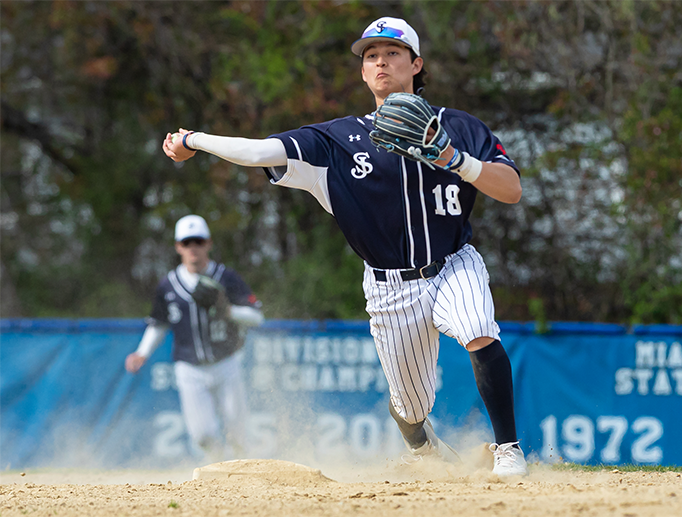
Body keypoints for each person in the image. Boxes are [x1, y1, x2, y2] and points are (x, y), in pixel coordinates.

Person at [162, 17, 528, 477]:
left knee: (478, 329)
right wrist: (193, 140)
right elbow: (258, 153)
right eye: (371, 56)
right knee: (410, 405)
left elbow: (511, 189)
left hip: (454, 262)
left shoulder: (457, 126)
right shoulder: (337, 140)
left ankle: (509, 449)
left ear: (416, 64)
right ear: (362, 71)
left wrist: (456, 160)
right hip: (390, 287)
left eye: (392, 53)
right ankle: (421, 444)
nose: (380, 62)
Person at [125, 214, 265, 462]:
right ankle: (219, 465)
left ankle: (244, 474)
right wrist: (142, 352)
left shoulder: (226, 278)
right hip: (189, 368)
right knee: (202, 434)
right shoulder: (168, 285)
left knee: (238, 431)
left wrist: (229, 310)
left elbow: (257, 317)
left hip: (226, 363)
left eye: (198, 242)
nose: (193, 248)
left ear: (208, 243)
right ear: (178, 246)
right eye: (187, 242)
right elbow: (159, 324)